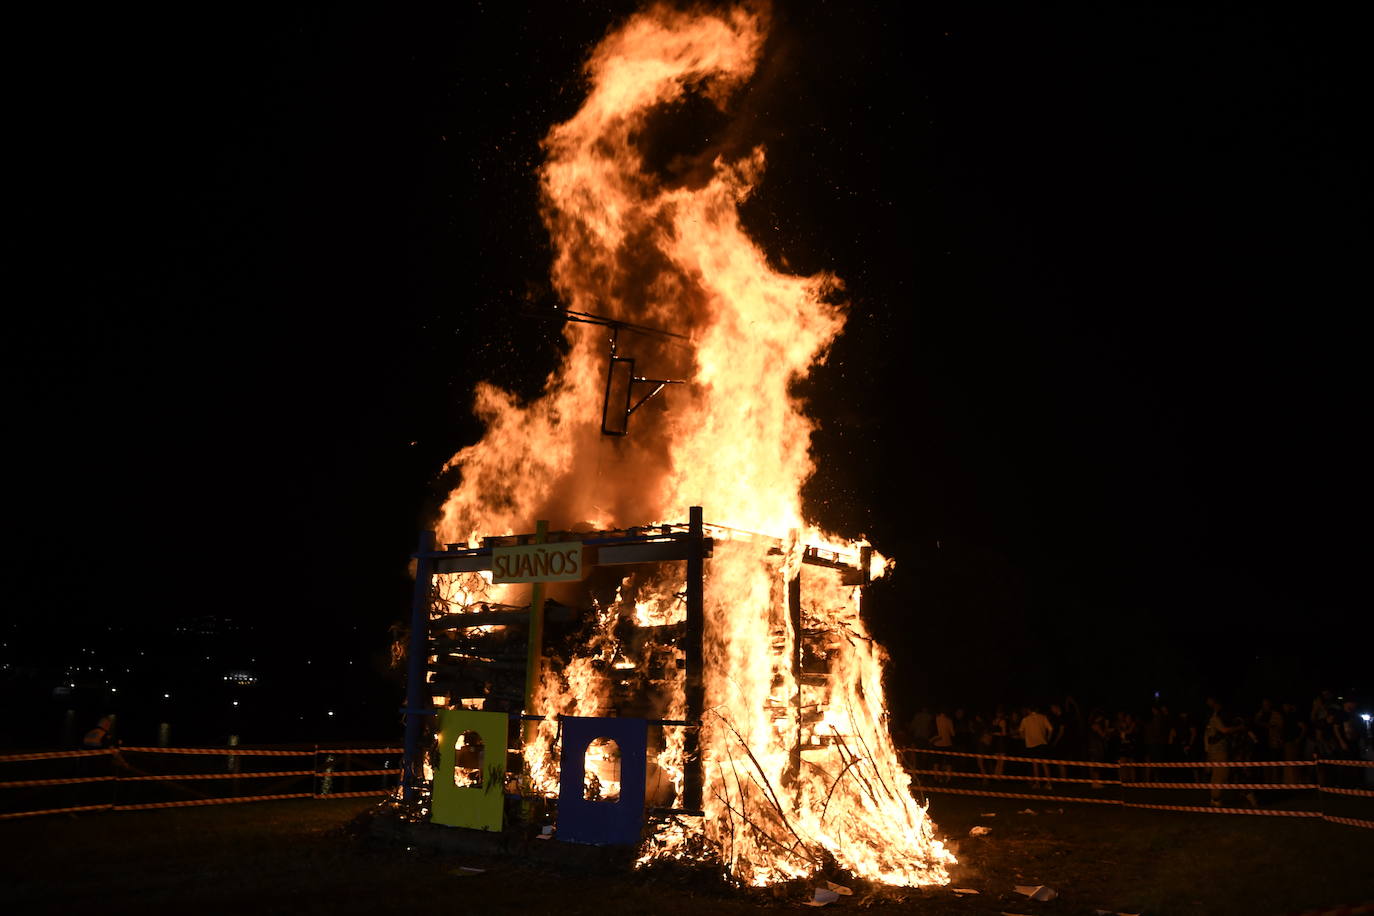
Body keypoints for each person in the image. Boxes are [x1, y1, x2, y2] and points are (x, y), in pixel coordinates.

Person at [1018, 705, 1054, 789]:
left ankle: (1037, 783)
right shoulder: (1043, 717)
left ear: (1028, 710)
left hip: (1031, 744)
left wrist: (1025, 738)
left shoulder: (1025, 719)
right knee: (1045, 764)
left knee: (1035, 764)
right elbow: (1051, 729)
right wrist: (1047, 739)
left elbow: (1020, 731)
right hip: (1042, 743)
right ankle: (1049, 783)